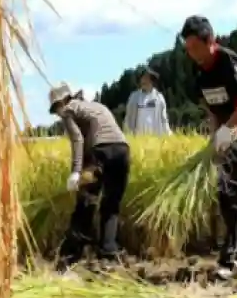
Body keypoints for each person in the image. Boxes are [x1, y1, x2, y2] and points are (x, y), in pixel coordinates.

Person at [178, 15, 237, 281]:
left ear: (210, 41)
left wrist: (228, 132)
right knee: (225, 200)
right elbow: (210, 109)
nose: (192, 54)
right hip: (224, 140)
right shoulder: (199, 73)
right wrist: (214, 140)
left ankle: (229, 261)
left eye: (195, 48)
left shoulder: (228, 62)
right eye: (188, 49)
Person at [47, 82, 130, 272]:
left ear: (63, 101)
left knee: (86, 202)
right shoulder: (98, 106)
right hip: (122, 151)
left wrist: (76, 171)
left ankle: (71, 256)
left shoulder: (69, 110)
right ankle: (109, 252)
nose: (57, 113)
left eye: (55, 108)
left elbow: (78, 139)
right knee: (111, 204)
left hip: (100, 151)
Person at [123, 67, 172, 136]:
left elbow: (164, 120)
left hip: (156, 138)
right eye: (142, 79)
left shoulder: (159, 98)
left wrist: (169, 135)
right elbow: (128, 118)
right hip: (138, 139)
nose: (143, 81)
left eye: (146, 79)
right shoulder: (134, 97)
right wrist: (126, 135)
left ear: (152, 81)